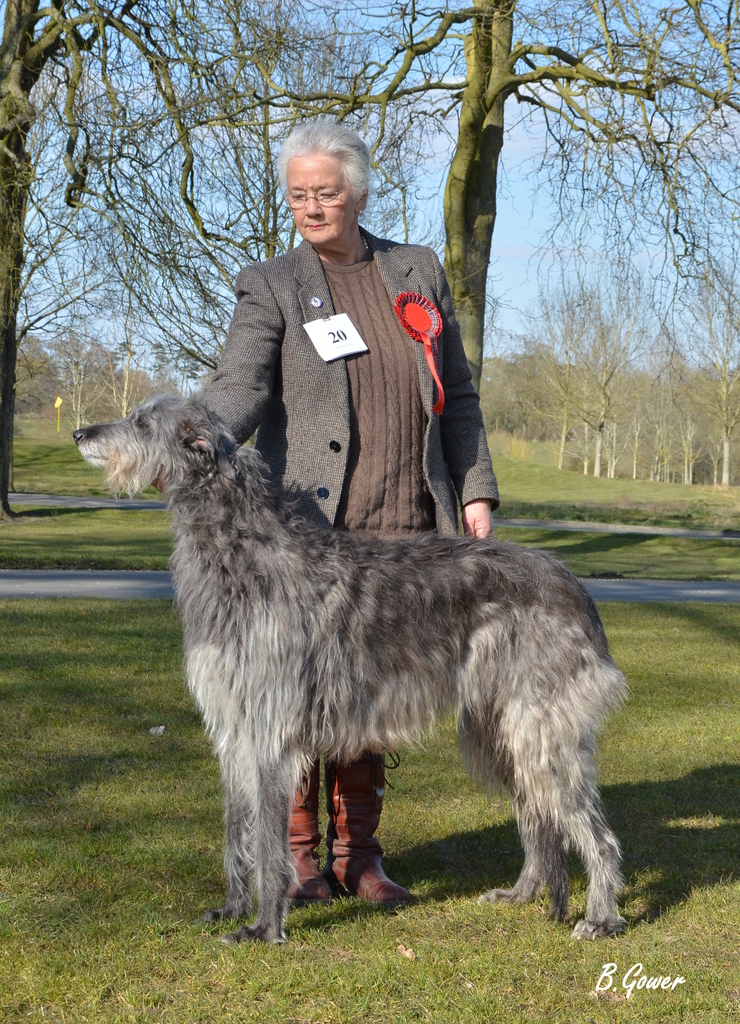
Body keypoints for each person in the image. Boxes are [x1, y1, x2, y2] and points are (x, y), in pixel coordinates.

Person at [203, 122, 499, 908]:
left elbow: (458, 395)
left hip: (405, 513)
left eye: (325, 192)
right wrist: (202, 432)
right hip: (306, 531)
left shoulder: (417, 270)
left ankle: (361, 858)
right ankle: (301, 860)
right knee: (297, 695)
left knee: (372, 696)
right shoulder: (270, 283)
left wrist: (473, 490)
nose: (310, 206)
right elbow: (240, 385)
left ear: (359, 192)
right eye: (298, 194)